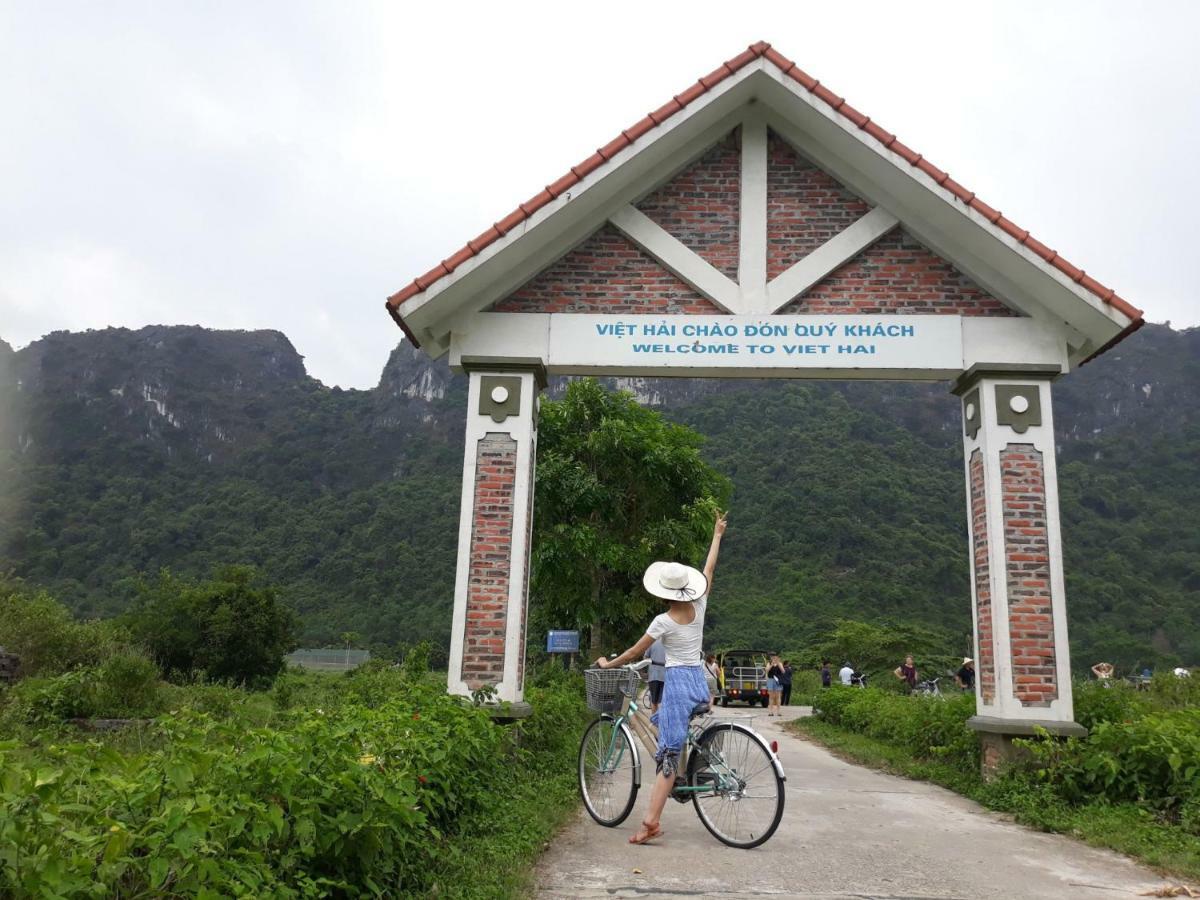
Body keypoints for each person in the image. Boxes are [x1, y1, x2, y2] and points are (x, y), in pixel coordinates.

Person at [596, 510, 727, 845]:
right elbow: (709, 569)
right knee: (665, 725)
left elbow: (633, 653)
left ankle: (650, 822)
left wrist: (607, 665)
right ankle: (680, 768)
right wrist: (717, 534)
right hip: (697, 681)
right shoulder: (700, 604)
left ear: (664, 592)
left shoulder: (663, 621)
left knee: (667, 755)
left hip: (678, 686)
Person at [644, 639, 666, 711]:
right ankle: (662, 720)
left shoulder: (651, 642)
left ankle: (654, 721)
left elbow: (646, 658)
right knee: (661, 701)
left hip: (653, 675)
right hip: (666, 675)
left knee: (654, 701)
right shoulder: (669, 642)